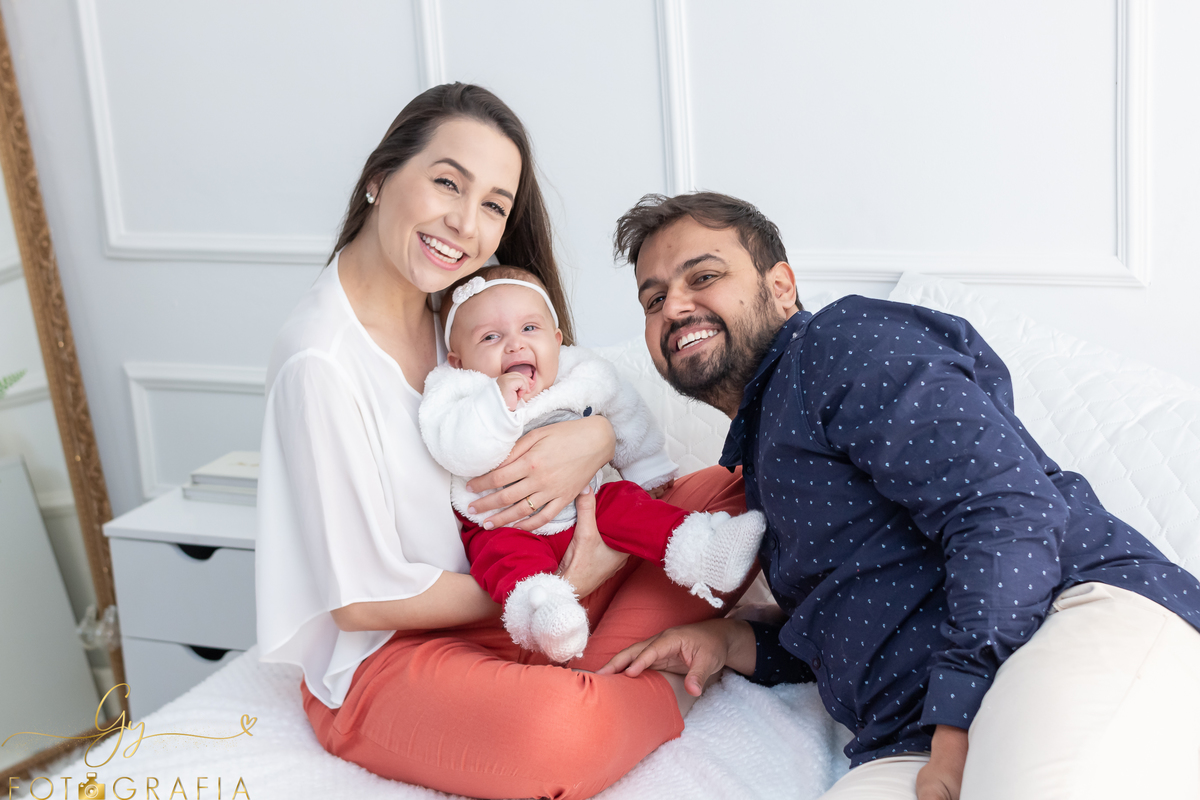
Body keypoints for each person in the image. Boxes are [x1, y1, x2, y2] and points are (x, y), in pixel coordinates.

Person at [600, 191, 1200, 799]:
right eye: (653, 299)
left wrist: (957, 721)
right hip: (906, 734)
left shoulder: (839, 343)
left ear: (781, 287)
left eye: (702, 276)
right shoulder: (761, 457)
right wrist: (730, 640)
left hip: (1061, 624)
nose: (674, 306)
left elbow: (1004, 511)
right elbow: (858, 622)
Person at [254, 85, 749, 800]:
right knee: (552, 732)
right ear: (379, 177)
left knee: (725, 495)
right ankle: (657, 686)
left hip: (536, 591)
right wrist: (569, 581)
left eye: (493, 204)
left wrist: (596, 436)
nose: (465, 222)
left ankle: (577, 662)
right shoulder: (319, 362)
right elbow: (360, 606)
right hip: (406, 652)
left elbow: (568, 395)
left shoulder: (462, 311)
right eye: (447, 182)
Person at [419, 265, 766, 661]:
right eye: (491, 337)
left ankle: (705, 550)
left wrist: (648, 470)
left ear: (557, 340)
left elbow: (625, 410)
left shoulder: (578, 373)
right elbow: (454, 447)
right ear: (458, 360)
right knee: (502, 559)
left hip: (589, 506)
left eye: (529, 329)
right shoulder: (459, 393)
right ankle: (548, 614)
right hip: (505, 523)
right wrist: (495, 406)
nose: (515, 345)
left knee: (629, 503)